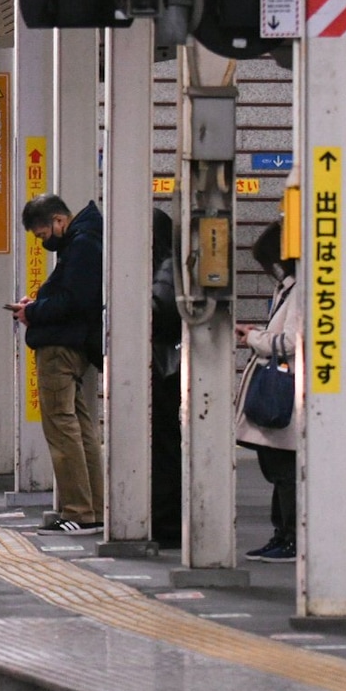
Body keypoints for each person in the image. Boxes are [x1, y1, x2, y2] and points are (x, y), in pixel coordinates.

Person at [10, 194, 104, 535]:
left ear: (58, 221)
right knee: (80, 429)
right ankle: (93, 509)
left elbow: (75, 301)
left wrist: (33, 312)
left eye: (42, 234)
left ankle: (79, 512)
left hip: (61, 350)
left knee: (62, 432)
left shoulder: (82, 245)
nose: (43, 241)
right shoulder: (87, 237)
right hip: (74, 347)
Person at [234, 220, 300, 563]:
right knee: (278, 467)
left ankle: (291, 537)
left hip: (288, 391)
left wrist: (254, 339)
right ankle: (282, 534)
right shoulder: (288, 289)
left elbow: (290, 342)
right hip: (285, 387)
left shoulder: (300, 290)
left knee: (283, 469)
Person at [150, 208, 183, 548]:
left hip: (163, 367)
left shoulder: (165, 269)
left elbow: (159, 313)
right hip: (166, 365)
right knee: (164, 445)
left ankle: (166, 521)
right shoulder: (170, 265)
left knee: (163, 446)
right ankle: (164, 517)